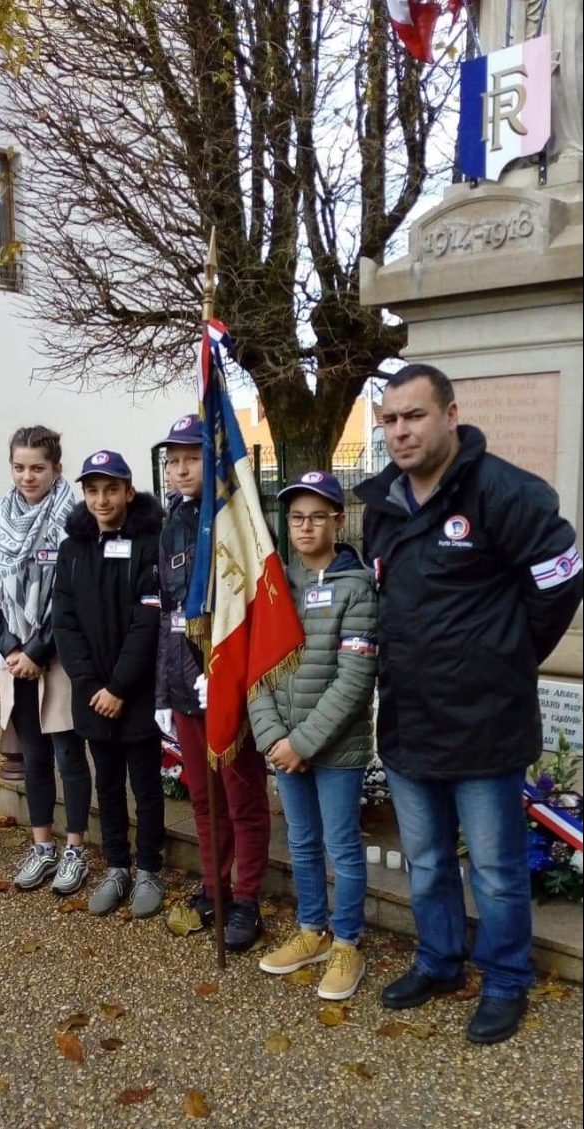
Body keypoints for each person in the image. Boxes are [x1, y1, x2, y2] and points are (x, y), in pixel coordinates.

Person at [354, 363, 583, 1045]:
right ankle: (439, 961)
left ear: (450, 415)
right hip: (408, 722)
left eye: (414, 416)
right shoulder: (382, 503)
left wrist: (505, 655)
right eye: (389, 420)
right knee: (425, 862)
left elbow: (558, 583)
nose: (399, 431)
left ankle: (506, 979)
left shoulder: (505, 493)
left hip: (486, 724)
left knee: (495, 871)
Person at [249, 471, 377, 1000]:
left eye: (317, 517)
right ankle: (312, 931)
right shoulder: (274, 586)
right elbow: (256, 669)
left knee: (341, 845)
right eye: (296, 517)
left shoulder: (357, 587)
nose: (305, 527)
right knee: (301, 842)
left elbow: (354, 679)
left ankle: (347, 942)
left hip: (336, 747)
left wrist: (302, 743)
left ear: (337, 521)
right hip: (284, 743)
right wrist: (274, 738)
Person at [153, 414, 271, 951]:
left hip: (229, 685)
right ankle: (214, 886)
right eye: (173, 461)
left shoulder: (239, 517)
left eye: (191, 459)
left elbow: (254, 608)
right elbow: (168, 612)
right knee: (204, 800)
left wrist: (231, 674)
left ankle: (246, 898)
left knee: (242, 799)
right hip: (184, 685)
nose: (180, 470)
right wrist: (163, 691)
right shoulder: (173, 522)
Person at [0, 426, 92, 895]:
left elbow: (76, 594)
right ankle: (43, 845)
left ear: (56, 469)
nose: (28, 476)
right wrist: (10, 649)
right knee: (34, 757)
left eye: (37, 468)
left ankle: (75, 849)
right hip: (14, 660)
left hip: (58, 659)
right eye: (19, 467)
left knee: (69, 756)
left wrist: (38, 651)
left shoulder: (76, 521)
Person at [52, 449, 166, 918]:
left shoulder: (149, 543)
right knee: (109, 785)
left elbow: (148, 620)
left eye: (111, 489)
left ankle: (149, 868)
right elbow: (64, 621)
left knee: (146, 784)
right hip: (93, 694)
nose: (102, 499)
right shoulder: (72, 549)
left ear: (128, 491)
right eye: (93, 490)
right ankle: (117, 865)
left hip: (134, 693)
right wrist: (90, 684)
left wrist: (119, 687)